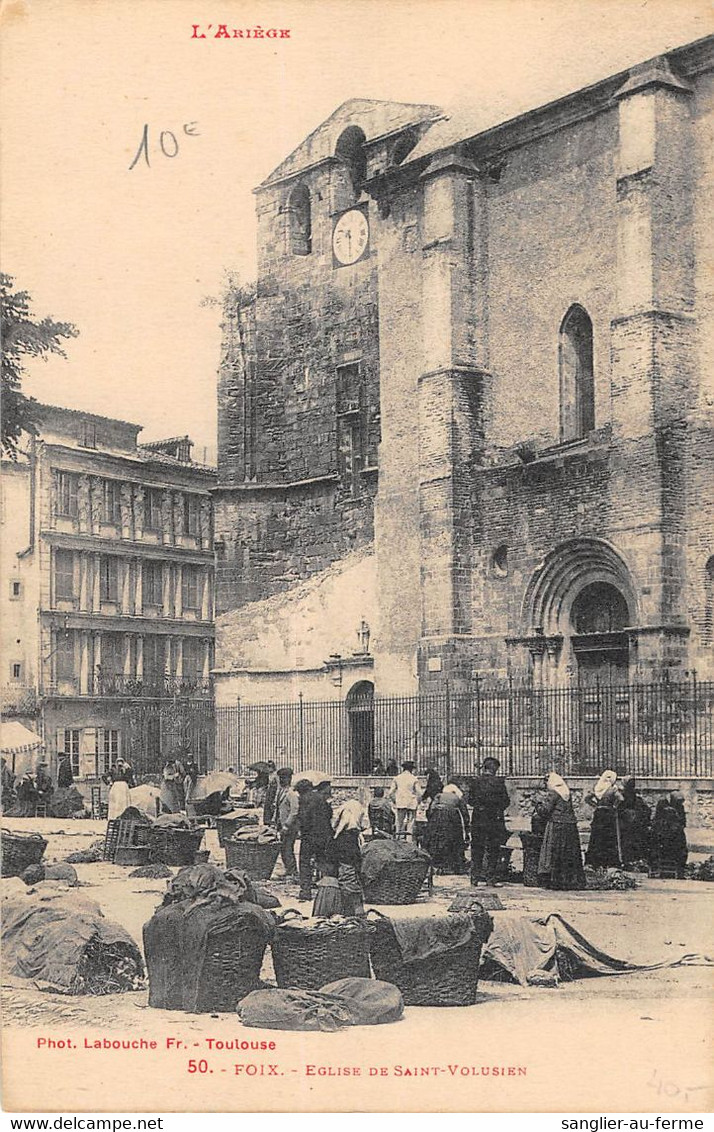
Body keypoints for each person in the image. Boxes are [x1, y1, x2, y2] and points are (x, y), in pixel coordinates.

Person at [536, 773, 586, 890]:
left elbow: (545, 811)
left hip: (556, 825)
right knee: (569, 853)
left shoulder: (553, 793)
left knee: (555, 852)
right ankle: (571, 880)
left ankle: (555, 881)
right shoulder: (566, 792)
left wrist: (538, 804)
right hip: (570, 826)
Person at [469, 756, 510, 886]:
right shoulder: (498, 783)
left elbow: (470, 800)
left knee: (477, 847)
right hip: (494, 819)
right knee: (493, 848)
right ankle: (490, 878)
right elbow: (506, 802)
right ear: (495, 769)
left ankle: (474, 877)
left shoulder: (476, 782)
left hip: (478, 818)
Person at [296, 776, 334, 901]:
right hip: (324, 835)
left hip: (309, 836)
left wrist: (301, 830)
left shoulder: (304, 799)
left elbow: (304, 818)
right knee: (323, 861)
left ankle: (306, 891)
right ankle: (327, 890)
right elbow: (330, 814)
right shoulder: (321, 798)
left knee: (305, 862)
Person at [327, 799, 368, 916]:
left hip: (343, 867)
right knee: (351, 878)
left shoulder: (340, 835)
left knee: (347, 879)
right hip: (349, 858)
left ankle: (349, 908)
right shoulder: (352, 835)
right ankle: (355, 908)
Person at [424, 783, 469, 874]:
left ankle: (437, 864)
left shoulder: (439, 796)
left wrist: (431, 822)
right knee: (454, 840)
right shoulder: (457, 798)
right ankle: (453, 865)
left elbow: (430, 810)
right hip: (451, 818)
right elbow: (464, 813)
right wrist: (467, 828)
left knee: (437, 840)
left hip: (437, 817)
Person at [585, 769, 624, 868]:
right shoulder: (612, 789)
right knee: (609, 837)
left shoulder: (597, 788)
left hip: (599, 814)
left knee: (596, 836)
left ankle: (595, 861)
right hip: (608, 814)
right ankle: (608, 861)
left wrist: (595, 805)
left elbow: (587, 798)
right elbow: (621, 799)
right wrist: (614, 806)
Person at [649, 791, 688, 877]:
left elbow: (683, 822)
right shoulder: (662, 803)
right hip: (662, 833)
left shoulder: (680, 807)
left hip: (674, 834)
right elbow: (657, 819)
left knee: (682, 848)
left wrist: (677, 819)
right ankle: (655, 867)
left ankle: (680, 870)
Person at [619, 776, 651, 866]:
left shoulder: (623, 794)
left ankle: (628, 860)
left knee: (627, 841)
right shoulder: (635, 796)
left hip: (627, 823)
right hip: (636, 822)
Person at [275, 767, 299, 878]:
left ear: (289, 778)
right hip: (281, 824)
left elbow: (294, 811)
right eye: (280, 778)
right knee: (283, 848)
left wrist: (287, 825)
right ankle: (288, 870)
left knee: (288, 848)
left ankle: (292, 871)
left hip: (290, 827)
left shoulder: (291, 793)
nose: (281, 780)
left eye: (284, 778)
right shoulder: (281, 791)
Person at [387, 760, 422, 838]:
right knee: (411, 823)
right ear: (411, 769)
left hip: (400, 802)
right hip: (412, 803)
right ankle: (409, 840)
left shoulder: (397, 778)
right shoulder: (414, 779)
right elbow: (419, 793)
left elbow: (390, 793)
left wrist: (395, 801)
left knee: (399, 822)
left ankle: (398, 839)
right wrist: (418, 802)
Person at [263, 761, 279, 826]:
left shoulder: (276, 774)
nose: (268, 768)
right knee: (267, 805)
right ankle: (266, 820)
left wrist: (276, 795)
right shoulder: (269, 775)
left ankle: (271, 820)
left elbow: (278, 785)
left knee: (271, 806)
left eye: (270, 767)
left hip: (273, 791)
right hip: (269, 791)